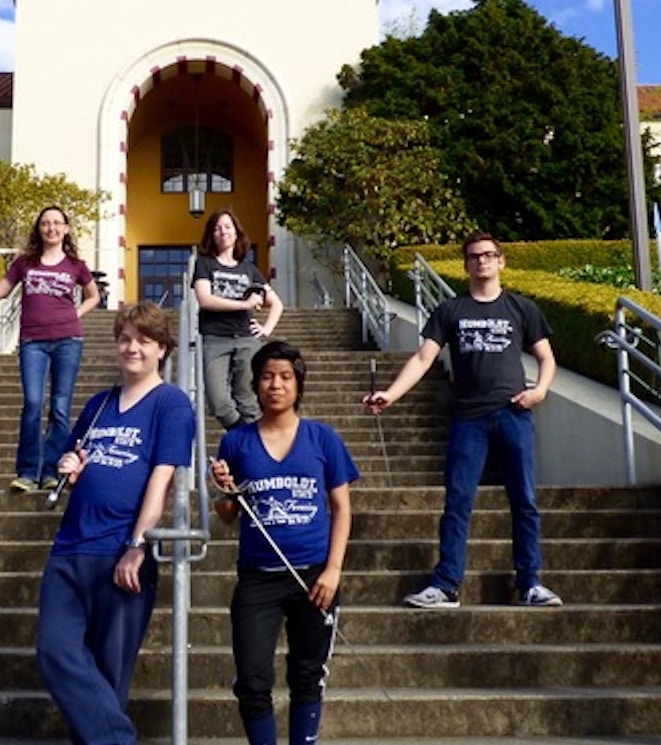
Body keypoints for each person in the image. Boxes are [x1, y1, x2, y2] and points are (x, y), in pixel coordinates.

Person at [364, 232, 561, 608]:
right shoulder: (451, 311)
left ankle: (531, 582)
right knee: (457, 501)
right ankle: (447, 584)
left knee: (524, 500)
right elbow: (423, 359)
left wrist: (540, 391)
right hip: (468, 419)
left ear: (501, 261)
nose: (482, 262)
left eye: (489, 255)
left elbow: (547, 359)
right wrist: (390, 394)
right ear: (466, 265)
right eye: (474, 257)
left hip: (513, 413)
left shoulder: (522, 309)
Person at [35, 301, 196, 745]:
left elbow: (162, 479)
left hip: (121, 551)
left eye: (144, 340)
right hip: (71, 546)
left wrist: (137, 544)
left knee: (109, 675)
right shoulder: (98, 404)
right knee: (55, 652)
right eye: (125, 339)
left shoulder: (172, 404)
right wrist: (71, 466)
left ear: (162, 349)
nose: (132, 348)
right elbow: (75, 461)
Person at [210, 340, 357, 745]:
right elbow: (228, 518)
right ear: (255, 384)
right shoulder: (236, 444)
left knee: (308, 675)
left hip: (314, 576)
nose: (276, 385)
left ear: (298, 385)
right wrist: (222, 490)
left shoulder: (323, 438)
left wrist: (333, 571)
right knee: (253, 679)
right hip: (258, 579)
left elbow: (342, 509)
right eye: (268, 377)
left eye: (286, 377)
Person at [0, 206, 100, 493]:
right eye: (46, 223)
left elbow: (94, 295)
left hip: (68, 341)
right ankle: (27, 471)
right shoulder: (25, 262)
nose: (52, 228)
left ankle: (52, 471)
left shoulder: (75, 265)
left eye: (58, 223)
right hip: (33, 342)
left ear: (66, 229)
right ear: (39, 229)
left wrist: (75, 314)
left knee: (60, 407)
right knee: (33, 403)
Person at [192, 208, 283, 431]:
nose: (223, 231)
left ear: (236, 233)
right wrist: (243, 304)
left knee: (249, 401)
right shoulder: (204, 263)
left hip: (246, 339)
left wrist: (266, 330)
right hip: (215, 339)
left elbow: (277, 303)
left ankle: (253, 452)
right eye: (217, 228)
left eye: (228, 226)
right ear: (211, 235)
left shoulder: (249, 269)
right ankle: (245, 436)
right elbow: (205, 299)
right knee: (220, 403)